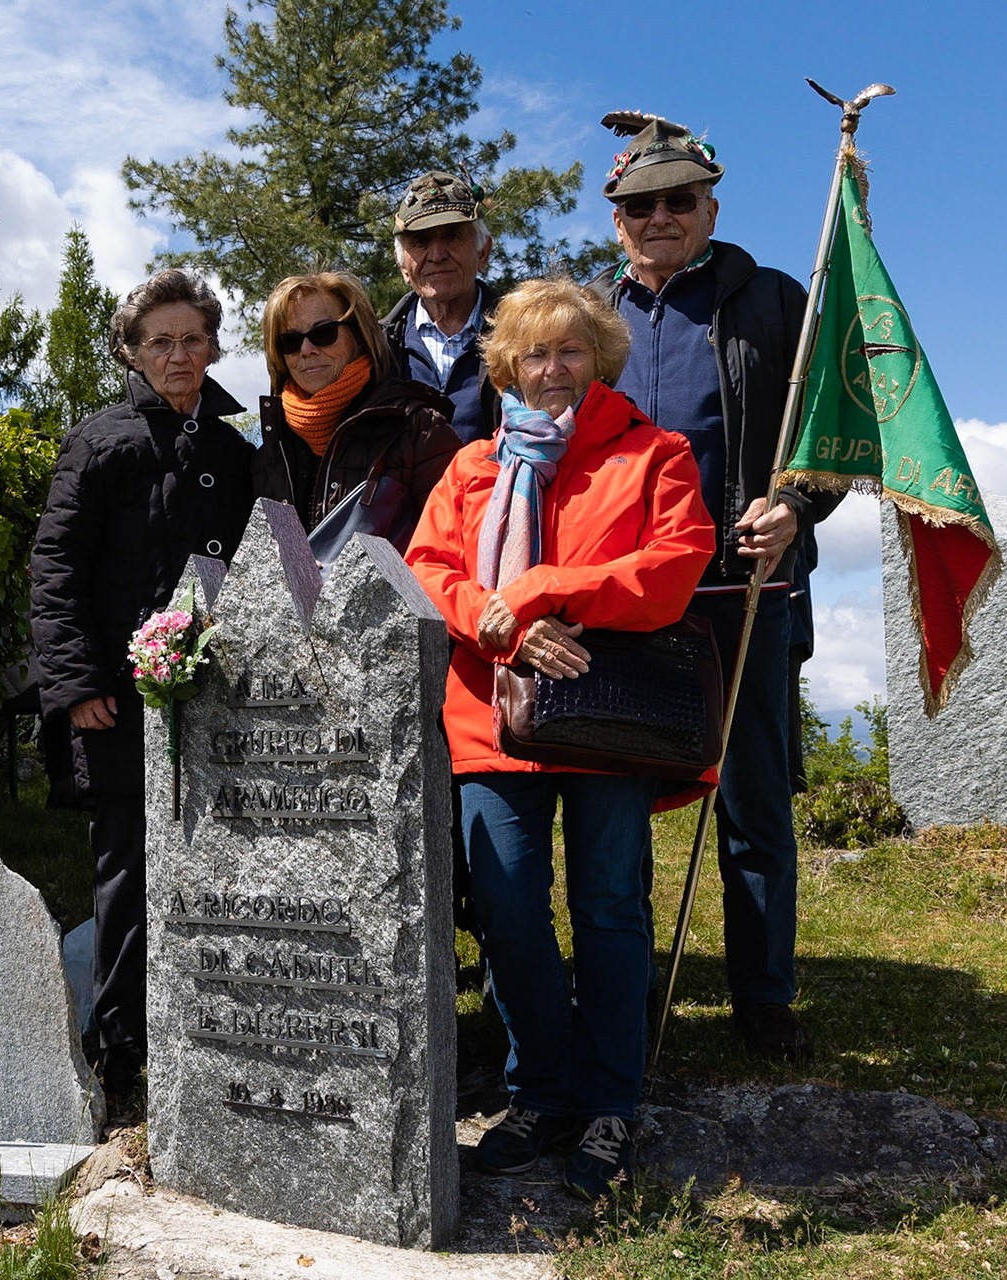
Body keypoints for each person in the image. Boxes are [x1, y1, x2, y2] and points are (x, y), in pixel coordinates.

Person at [406, 280, 714, 1199]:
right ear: (507, 366)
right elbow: (428, 572)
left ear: (601, 358)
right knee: (507, 910)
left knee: (609, 909)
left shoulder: (656, 453)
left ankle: (611, 1102)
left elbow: (672, 567)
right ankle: (538, 1092)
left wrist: (542, 591)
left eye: (570, 350)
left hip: (610, 721)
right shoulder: (472, 467)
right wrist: (496, 623)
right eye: (533, 353)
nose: (552, 369)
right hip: (492, 718)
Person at [586, 114, 842, 1062]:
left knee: (751, 800)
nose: (659, 217)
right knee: (619, 801)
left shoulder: (775, 299)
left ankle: (764, 997)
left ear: (710, 209)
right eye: (639, 206)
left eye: (678, 201)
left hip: (744, 587)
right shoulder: (587, 318)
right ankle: (625, 984)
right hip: (620, 592)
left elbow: (833, 428)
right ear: (616, 221)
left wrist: (798, 508)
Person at [29, 270, 257, 1095]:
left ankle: (215, 1029)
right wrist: (76, 681)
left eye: (193, 339)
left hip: (220, 697)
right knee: (127, 870)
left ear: (214, 348)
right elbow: (55, 567)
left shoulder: (238, 453)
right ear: (130, 352)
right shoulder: (101, 441)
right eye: (159, 341)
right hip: (120, 701)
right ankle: (120, 1047)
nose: (178, 356)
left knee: (224, 859)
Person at [252, 271, 460, 549]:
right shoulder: (269, 454)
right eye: (290, 340)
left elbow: (451, 549)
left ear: (359, 336)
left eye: (323, 333)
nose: (306, 349)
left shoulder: (419, 430)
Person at [381, 172, 501, 443]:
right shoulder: (376, 349)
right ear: (402, 265)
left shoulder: (525, 337)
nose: (437, 255)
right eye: (420, 241)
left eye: (452, 236)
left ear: (483, 252)